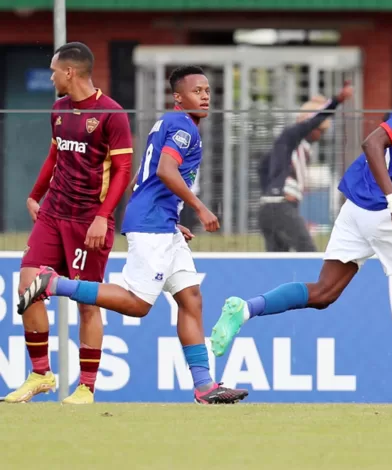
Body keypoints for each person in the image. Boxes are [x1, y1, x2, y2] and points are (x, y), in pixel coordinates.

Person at [209, 30, 392, 410]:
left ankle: (244, 308)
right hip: (382, 212)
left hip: (358, 207)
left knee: (324, 293)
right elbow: (373, 144)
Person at [17, 66, 249, 405]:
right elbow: (165, 170)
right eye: (196, 90)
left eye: (207, 90)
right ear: (178, 98)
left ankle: (204, 386)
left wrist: (172, 218)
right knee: (138, 304)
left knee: (191, 298)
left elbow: (148, 175)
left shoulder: (171, 124)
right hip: (152, 225)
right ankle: (53, 284)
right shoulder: (183, 127)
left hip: (162, 223)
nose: (204, 96)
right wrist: (199, 208)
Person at [4, 42, 133, 404]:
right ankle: (41, 374)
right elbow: (55, 154)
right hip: (54, 212)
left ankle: (87, 388)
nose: (51, 76)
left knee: (87, 303)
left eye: (53, 70)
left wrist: (102, 217)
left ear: (70, 72)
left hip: (88, 220)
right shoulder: (59, 109)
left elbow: (123, 170)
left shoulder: (111, 113)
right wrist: (35, 194)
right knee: (27, 286)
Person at [258, 85, 353, 252]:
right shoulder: (290, 137)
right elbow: (312, 121)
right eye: (318, 130)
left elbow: (262, 167)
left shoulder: (292, 148)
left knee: (278, 260)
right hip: (280, 205)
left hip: (273, 207)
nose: (319, 134)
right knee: (308, 252)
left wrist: (270, 190)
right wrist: (336, 101)